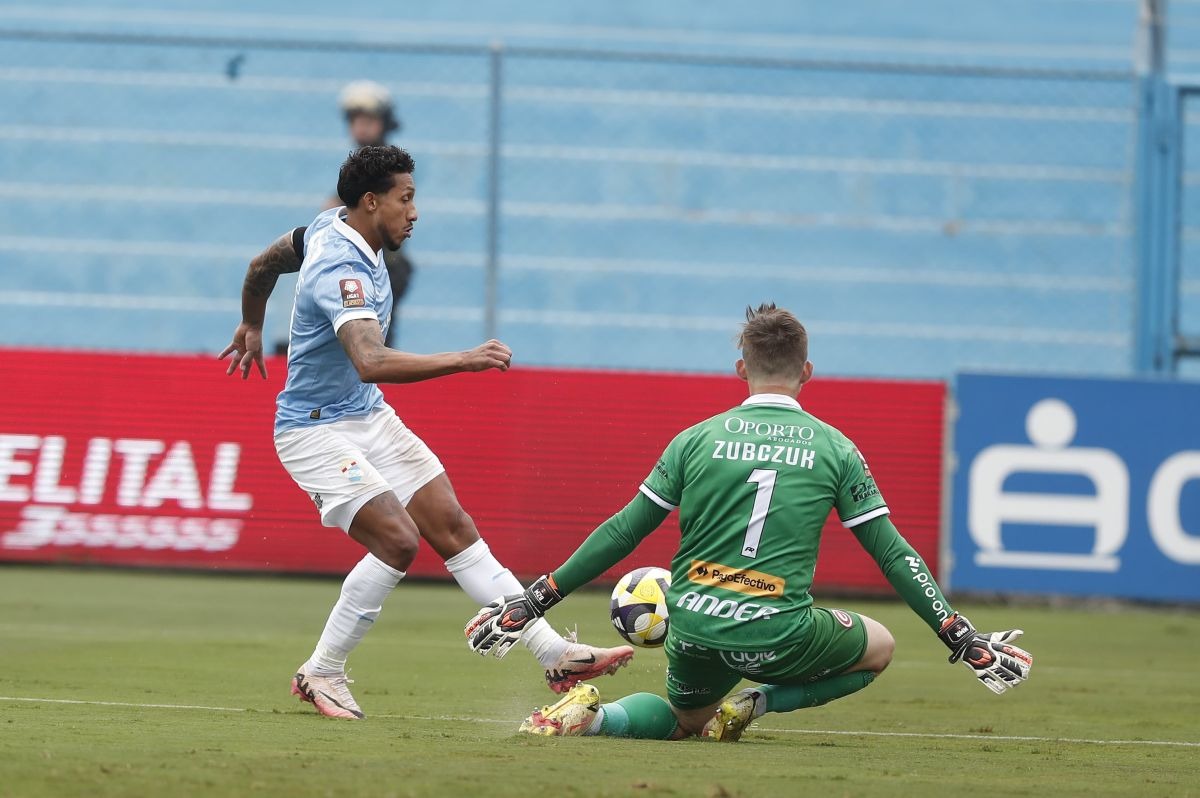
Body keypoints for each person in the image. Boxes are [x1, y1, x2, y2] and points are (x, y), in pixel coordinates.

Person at [465, 304, 1033, 741]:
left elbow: (624, 530)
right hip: (780, 636)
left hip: (695, 626)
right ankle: (758, 703)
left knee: (685, 721)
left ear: (741, 368)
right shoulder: (835, 449)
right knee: (879, 646)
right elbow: (891, 552)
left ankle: (593, 720)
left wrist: (534, 600)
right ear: (807, 371)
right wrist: (958, 635)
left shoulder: (696, 439)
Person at [219, 146, 632, 720]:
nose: (414, 212)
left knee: (451, 525)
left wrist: (250, 321)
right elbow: (369, 359)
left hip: (366, 415)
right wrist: (462, 359)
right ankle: (322, 672)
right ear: (371, 202)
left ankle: (553, 653)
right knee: (398, 540)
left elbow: (262, 264)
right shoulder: (341, 268)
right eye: (405, 199)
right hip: (313, 430)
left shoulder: (325, 228)